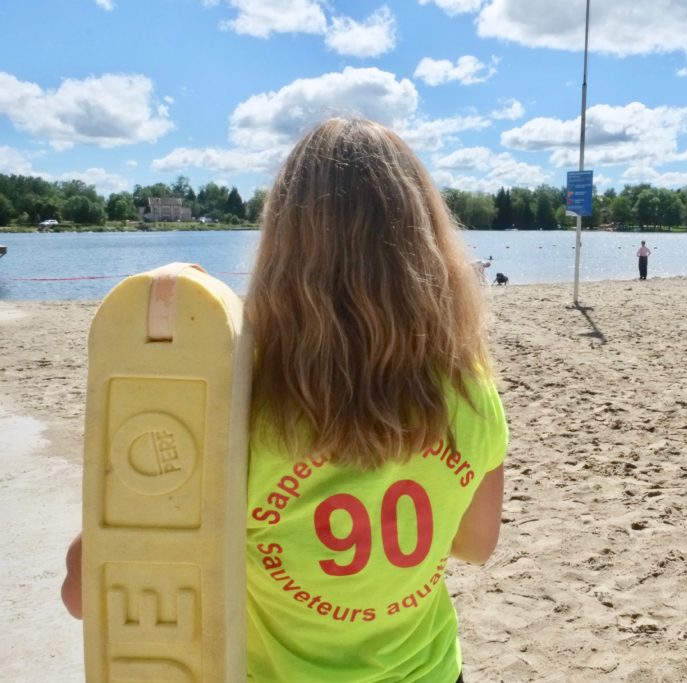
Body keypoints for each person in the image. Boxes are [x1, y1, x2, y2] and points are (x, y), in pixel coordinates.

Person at [62, 118, 509, 683]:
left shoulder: (232, 400)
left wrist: (181, 344)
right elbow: (476, 544)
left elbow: (86, 594)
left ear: (280, 241)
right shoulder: (470, 390)